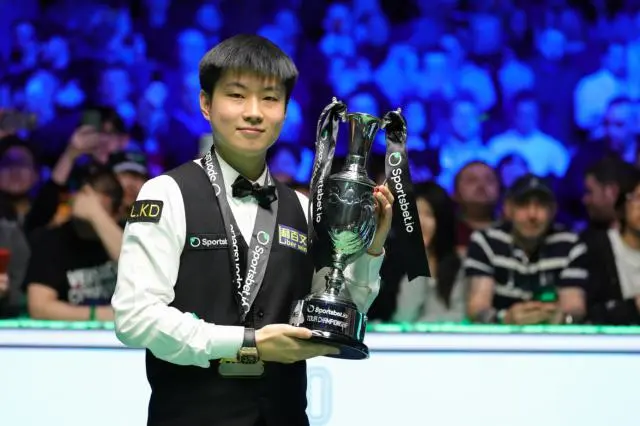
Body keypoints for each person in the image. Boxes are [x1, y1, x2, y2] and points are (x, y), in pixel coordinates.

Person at [112, 34, 394, 426]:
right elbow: (135, 318)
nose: (254, 112)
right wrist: (250, 343)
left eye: (270, 98)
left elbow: (338, 313)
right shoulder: (166, 193)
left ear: (285, 111)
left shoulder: (303, 207)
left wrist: (370, 248)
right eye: (237, 95)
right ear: (206, 104)